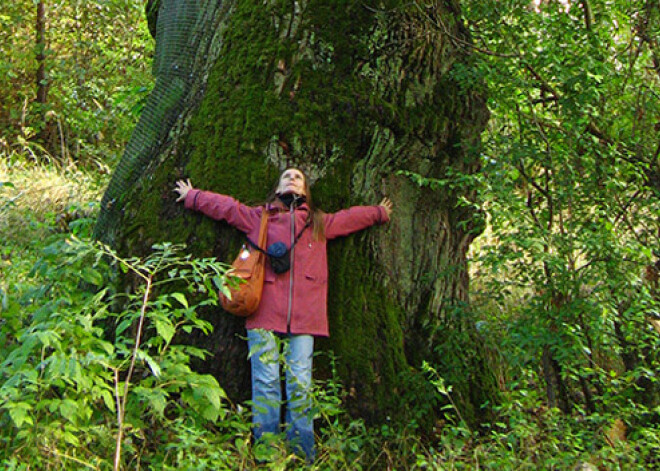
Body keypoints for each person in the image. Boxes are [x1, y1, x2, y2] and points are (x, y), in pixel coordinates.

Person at [174, 168, 392, 462]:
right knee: (265, 384)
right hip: (263, 309)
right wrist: (193, 196)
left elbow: (349, 218)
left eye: (298, 177)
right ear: (277, 186)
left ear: (305, 191)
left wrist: (379, 212)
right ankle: (267, 455)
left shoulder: (317, 223)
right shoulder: (260, 217)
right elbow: (227, 208)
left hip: (305, 316)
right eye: (287, 175)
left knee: (300, 385)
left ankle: (302, 457)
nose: (292, 178)